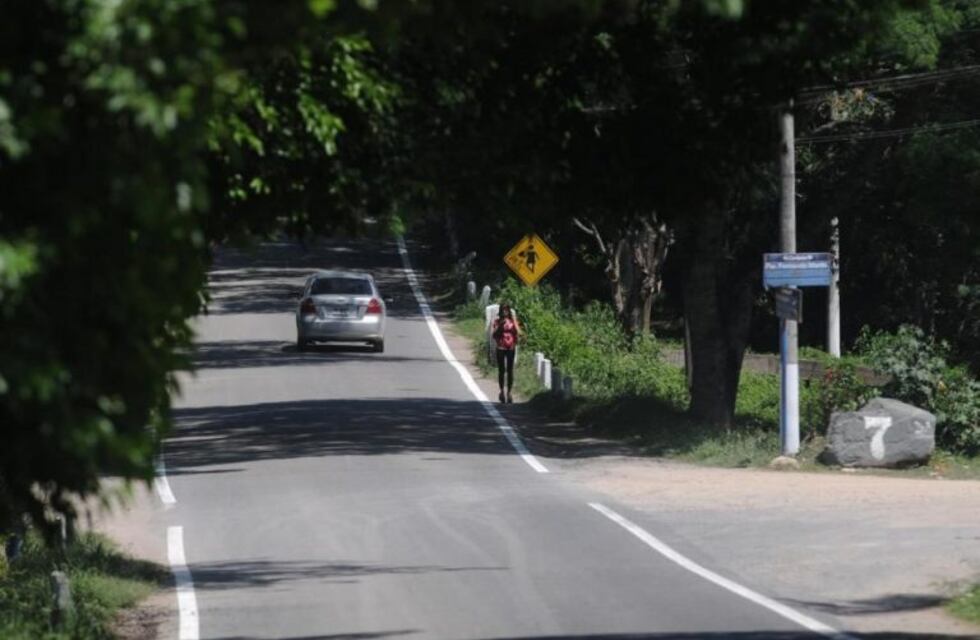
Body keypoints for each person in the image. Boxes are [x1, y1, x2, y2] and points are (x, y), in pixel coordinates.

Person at [491, 303, 521, 403]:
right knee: (501, 370)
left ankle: (509, 392)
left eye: (507, 310)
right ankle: (502, 391)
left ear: (509, 311)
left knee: (510, 370)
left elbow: (518, 332)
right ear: (500, 311)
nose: (505, 311)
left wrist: (517, 334)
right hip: (500, 347)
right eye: (503, 310)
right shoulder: (497, 321)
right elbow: (494, 335)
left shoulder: (513, 321)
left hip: (511, 347)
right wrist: (500, 325)